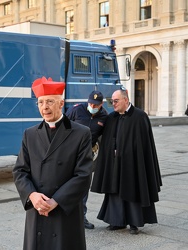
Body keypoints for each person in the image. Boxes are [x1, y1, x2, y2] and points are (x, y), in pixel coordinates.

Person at [13, 76, 93, 250]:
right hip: (38, 208)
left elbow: (84, 174)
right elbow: (20, 171)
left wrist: (56, 201)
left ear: (61, 103)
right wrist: (32, 196)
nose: (45, 107)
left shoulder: (81, 133)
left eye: (49, 101)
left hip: (64, 209)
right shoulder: (30, 134)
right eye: (40, 102)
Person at [90, 88, 162, 235]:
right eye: (112, 102)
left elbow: (144, 145)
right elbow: (108, 138)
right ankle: (117, 221)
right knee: (114, 190)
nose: (113, 104)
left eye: (116, 101)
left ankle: (134, 222)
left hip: (134, 163)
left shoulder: (140, 116)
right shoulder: (112, 117)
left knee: (134, 189)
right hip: (115, 163)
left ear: (126, 100)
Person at [65, 90, 108, 229]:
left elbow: (106, 136)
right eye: (90, 103)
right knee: (66, 184)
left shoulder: (104, 116)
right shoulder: (76, 110)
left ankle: (81, 217)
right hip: (70, 153)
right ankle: (65, 216)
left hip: (87, 155)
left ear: (101, 104)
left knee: (83, 186)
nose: (92, 106)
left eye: (96, 105)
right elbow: (62, 127)